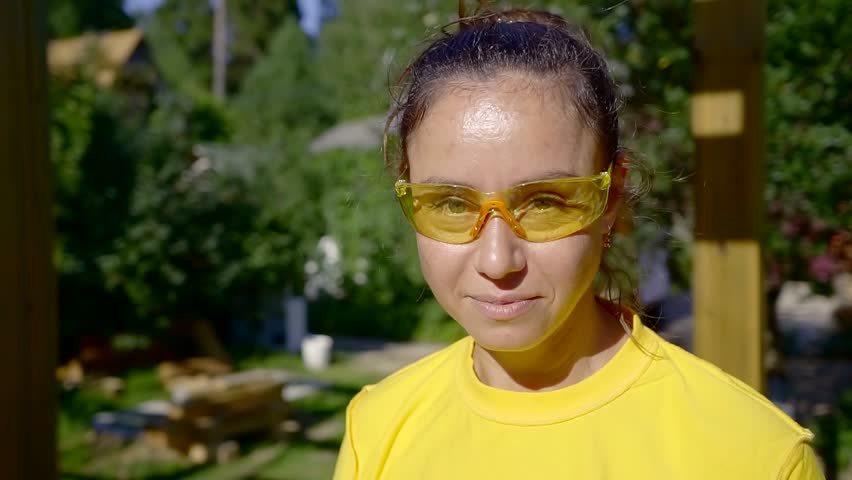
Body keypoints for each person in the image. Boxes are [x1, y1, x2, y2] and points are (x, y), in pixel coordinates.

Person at [333, 4, 823, 479]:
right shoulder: (377, 428)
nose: (498, 260)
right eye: (452, 204)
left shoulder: (751, 454)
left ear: (612, 197)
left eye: (545, 201)